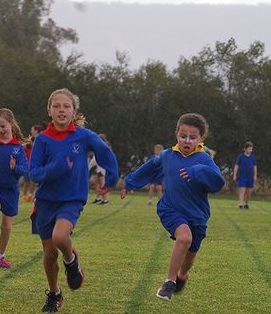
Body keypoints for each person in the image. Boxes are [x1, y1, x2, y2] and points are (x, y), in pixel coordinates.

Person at [29, 88, 119, 313]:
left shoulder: (83, 135)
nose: (61, 110)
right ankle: (54, 293)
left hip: (72, 199)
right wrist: (56, 168)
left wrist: (113, 174)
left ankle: (71, 261)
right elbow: (34, 174)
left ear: (74, 110)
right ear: (49, 110)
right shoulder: (42, 140)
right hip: (46, 201)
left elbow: (104, 153)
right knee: (49, 255)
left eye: (66, 106)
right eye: (56, 106)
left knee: (61, 237)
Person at [121, 113, 225, 301]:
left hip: (197, 215)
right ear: (176, 133)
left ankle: (182, 274)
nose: (187, 140)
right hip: (170, 208)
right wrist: (129, 183)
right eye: (182, 135)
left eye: (192, 137)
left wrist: (198, 171)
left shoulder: (205, 160)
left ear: (202, 138)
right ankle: (169, 282)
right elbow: (149, 167)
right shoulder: (167, 156)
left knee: (190, 256)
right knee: (184, 238)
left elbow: (217, 182)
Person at [0, 108, 28, 269]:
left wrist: (15, 168)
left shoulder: (18, 147)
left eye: (2, 126)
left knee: (7, 226)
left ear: (11, 124)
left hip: (10, 190)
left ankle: (0, 257)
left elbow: (25, 169)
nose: (0, 130)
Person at [22, 124, 46, 202]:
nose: (31, 131)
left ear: (36, 131)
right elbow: (22, 147)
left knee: (34, 181)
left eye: (32, 130)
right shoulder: (30, 140)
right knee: (26, 181)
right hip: (27, 164)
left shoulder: (40, 139)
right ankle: (24, 196)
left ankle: (31, 195)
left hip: (36, 164)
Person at [233, 142, 257, 209]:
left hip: (250, 177)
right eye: (249, 149)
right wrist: (234, 175)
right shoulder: (240, 157)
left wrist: (255, 175)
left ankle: (246, 203)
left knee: (249, 191)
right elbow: (236, 166)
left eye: (251, 149)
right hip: (242, 176)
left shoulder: (253, 157)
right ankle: (241, 204)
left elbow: (255, 167)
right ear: (245, 149)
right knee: (242, 189)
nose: (250, 150)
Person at [89, 134, 111, 205]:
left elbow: (95, 159)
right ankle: (98, 198)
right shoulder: (100, 147)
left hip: (102, 169)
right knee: (97, 183)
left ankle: (106, 200)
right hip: (99, 168)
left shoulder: (103, 148)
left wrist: (89, 167)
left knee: (102, 184)